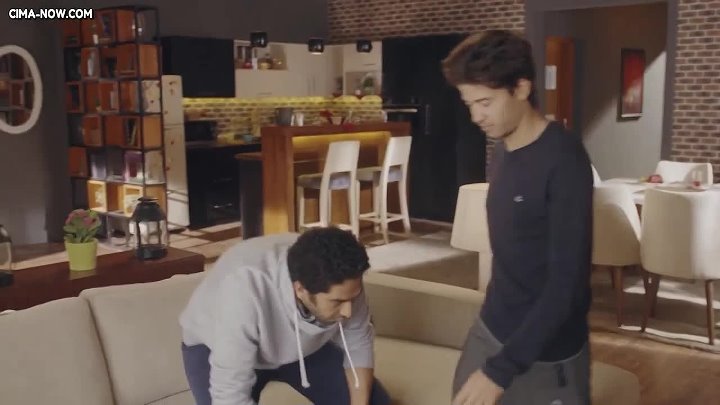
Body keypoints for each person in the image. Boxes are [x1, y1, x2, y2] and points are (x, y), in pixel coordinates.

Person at [442, 30, 594, 405]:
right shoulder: (502, 151)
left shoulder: (564, 159)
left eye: (485, 102)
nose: (476, 116)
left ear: (522, 88)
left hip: (550, 350)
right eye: (469, 104)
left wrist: (501, 369)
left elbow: (567, 285)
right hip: (492, 329)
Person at [179, 227, 391, 405]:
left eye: (352, 298)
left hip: (300, 346)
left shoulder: (342, 276)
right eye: (337, 302)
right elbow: (229, 394)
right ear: (300, 289)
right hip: (213, 345)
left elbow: (358, 344)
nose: (348, 312)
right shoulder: (243, 289)